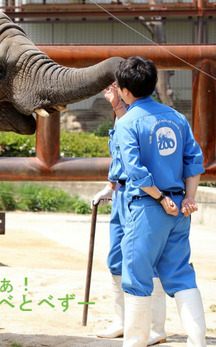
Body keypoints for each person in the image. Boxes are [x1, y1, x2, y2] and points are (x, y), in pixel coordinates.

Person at [113, 56, 206, 347]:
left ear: (125, 91)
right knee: (181, 274)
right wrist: (188, 197)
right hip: (180, 209)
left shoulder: (127, 122)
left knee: (137, 276)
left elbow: (135, 170)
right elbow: (194, 160)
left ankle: (135, 342)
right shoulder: (176, 117)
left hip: (148, 207)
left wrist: (161, 197)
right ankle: (198, 341)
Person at [92, 82, 167, 346]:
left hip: (144, 196)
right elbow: (121, 155)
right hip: (122, 194)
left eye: (118, 88)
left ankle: (155, 327)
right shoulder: (123, 115)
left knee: (146, 260)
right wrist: (110, 186)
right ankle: (122, 321)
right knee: (116, 258)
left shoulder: (150, 117)